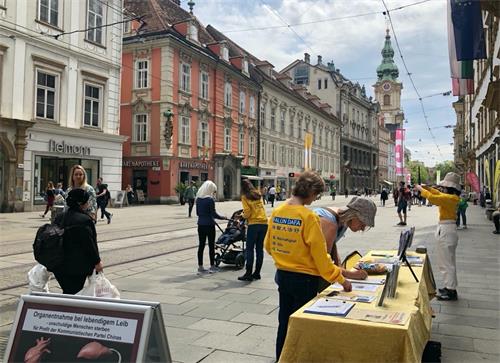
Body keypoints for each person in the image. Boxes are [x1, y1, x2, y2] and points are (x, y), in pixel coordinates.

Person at [264, 171, 352, 361]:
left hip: (283, 275)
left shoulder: (278, 212)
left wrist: (287, 256)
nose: (316, 200)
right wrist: (342, 279)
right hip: (304, 280)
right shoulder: (308, 217)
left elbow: (268, 246)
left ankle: (282, 357)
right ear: (311, 192)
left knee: (284, 322)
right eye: (317, 195)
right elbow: (321, 259)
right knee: (302, 326)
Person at [314, 197, 377, 291]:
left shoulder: (343, 221)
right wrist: (350, 275)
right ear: (354, 215)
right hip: (300, 272)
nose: (363, 228)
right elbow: (323, 263)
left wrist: (340, 269)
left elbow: (332, 247)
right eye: (363, 223)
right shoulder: (330, 223)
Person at [415, 172, 461, 301]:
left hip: (447, 229)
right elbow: (437, 194)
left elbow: (433, 198)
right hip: (446, 228)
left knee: (447, 263)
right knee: (446, 262)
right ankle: (449, 287)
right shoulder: (451, 197)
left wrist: (421, 190)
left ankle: (451, 290)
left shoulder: (451, 199)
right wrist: (427, 188)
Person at [53, 189, 103, 294]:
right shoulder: (84, 220)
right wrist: (97, 262)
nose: (88, 203)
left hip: (59, 264)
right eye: (87, 201)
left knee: (68, 291)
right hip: (77, 266)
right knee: (73, 293)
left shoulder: (59, 217)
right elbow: (89, 244)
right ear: (81, 203)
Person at [238, 179, 268, 281]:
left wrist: (241, 216)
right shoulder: (258, 194)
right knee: (259, 249)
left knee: (250, 249)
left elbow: (247, 212)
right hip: (264, 223)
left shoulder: (245, 196)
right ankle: (257, 273)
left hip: (254, 224)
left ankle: (248, 273)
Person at [196, 180, 226, 274]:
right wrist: (222, 217)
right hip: (209, 225)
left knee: (201, 245)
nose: (214, 193)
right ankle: (212, 266)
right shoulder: (210, 200)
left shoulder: (198, 199)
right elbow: (214, 214)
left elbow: (197, 213)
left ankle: (200, 267)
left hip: (200, 225)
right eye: (214, 191)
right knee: (211, 245)